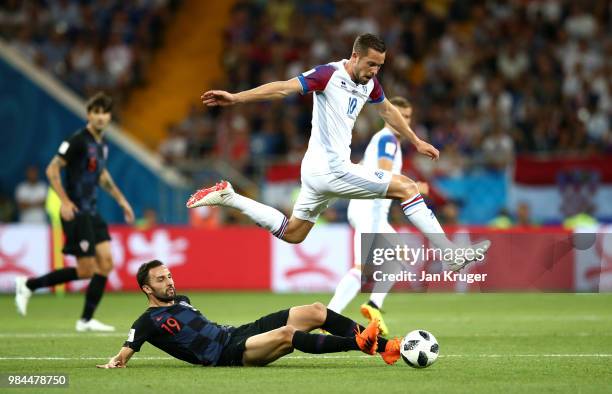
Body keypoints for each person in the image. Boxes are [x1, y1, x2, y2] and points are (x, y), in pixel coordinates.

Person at [188, 33, 490, 271]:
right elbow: (283, 88)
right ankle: (449, 253)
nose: (374, 72)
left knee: (293, 233)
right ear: (355, 55)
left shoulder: (368, 83)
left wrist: (415, 140)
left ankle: (230, 197)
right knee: (407, 187)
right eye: (370, 64)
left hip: (319, 170)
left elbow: (387, 110)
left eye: (380, 66)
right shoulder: (327, 74)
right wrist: (237, 98)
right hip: (330, 168)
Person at [96, 260, 402, 368]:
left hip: (236, 333)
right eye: (160, 280)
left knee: (317, 310)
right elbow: (126, 351)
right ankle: (360, 343)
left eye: (169, 276)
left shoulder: (183, 300)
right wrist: (115, 361)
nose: (169, 282)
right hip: (226, 354)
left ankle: (386, 345)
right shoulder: (147, 322)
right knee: (287, 336)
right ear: (147, 289)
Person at [14, 92, 135, 332]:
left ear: (109, 116)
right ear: (89, 114)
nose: (100, 117)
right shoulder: (77, 140)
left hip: (92, 211)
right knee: (86, 270)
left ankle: (86, 320)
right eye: (96, 112)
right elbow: (52, 169)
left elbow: (101, 174)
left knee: (107, 263)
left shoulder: (101, 145)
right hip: (76, 212)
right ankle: (28, 285)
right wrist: (65, 201)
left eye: (104, 112)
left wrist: (122, 200)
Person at [327, 97, 428, 336]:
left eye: (408, 117)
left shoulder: (381, 140)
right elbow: (383, 174)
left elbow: (364, 168)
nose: (405, 121)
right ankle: (329, 317)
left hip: (372, 211)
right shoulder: (388, 141)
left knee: (402, 254)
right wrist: (414, 188)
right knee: (360, 268)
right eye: (400, 116)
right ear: (387, 116)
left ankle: (373, 305)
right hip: (369, 209)